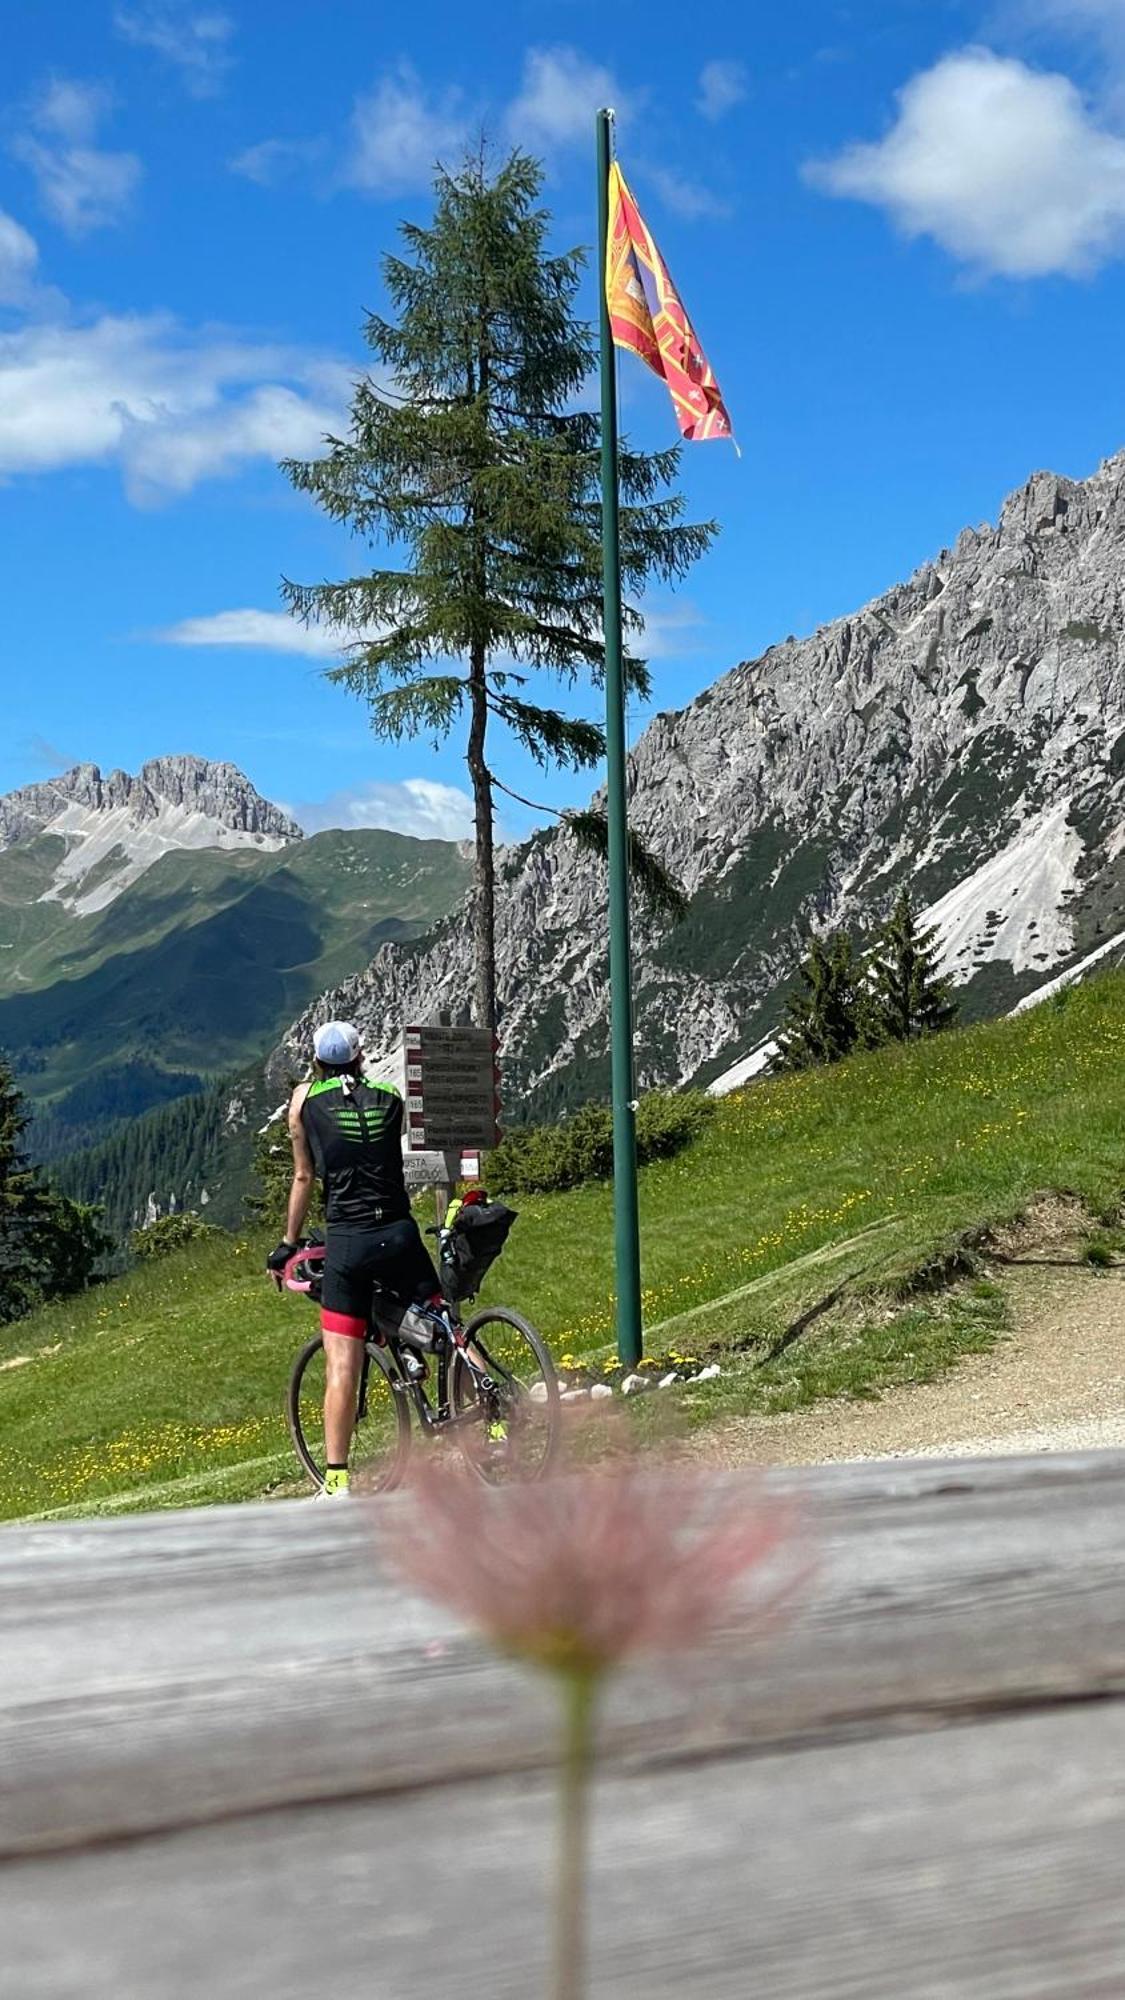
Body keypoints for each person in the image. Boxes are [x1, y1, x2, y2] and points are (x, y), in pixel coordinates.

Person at [267, 1020, 440, 1496]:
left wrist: (288, 1241)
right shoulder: (390, 1094)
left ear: (317, 1062)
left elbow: (304, 1177)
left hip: (349, 1239)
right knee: (448, 1328)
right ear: (361, 1056)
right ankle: (493, 1425)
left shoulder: (305, 1102)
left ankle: (337, 1480)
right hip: (401, 1232)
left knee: (341, 1364)